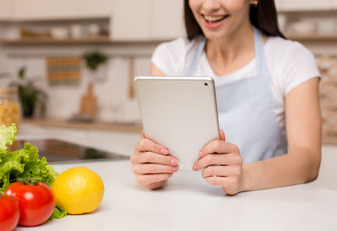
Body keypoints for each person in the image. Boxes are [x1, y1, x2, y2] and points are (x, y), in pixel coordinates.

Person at [130, 0, 321, 195]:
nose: (210, 6)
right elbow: (159, 149)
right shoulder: (170, 58)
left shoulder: (290, 58)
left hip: (264, 213)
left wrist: (244, 177)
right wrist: (153, 170)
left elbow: (308, 160)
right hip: (185, 212)